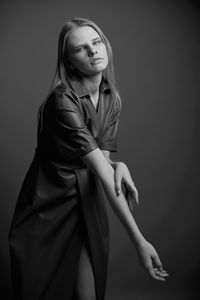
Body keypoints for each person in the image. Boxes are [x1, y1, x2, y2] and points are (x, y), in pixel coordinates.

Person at [9, 17, 168, 300]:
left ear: (105, 45)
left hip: (87, 201)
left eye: (96, 42)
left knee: (88, 294)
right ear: (69, 61)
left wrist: (120, 165)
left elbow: (102, 166)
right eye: (82, 48)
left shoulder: (111, 98)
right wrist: (139, 242)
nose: (93, 51)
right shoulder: (62, 101)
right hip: (48, 210)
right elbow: (104, 173)